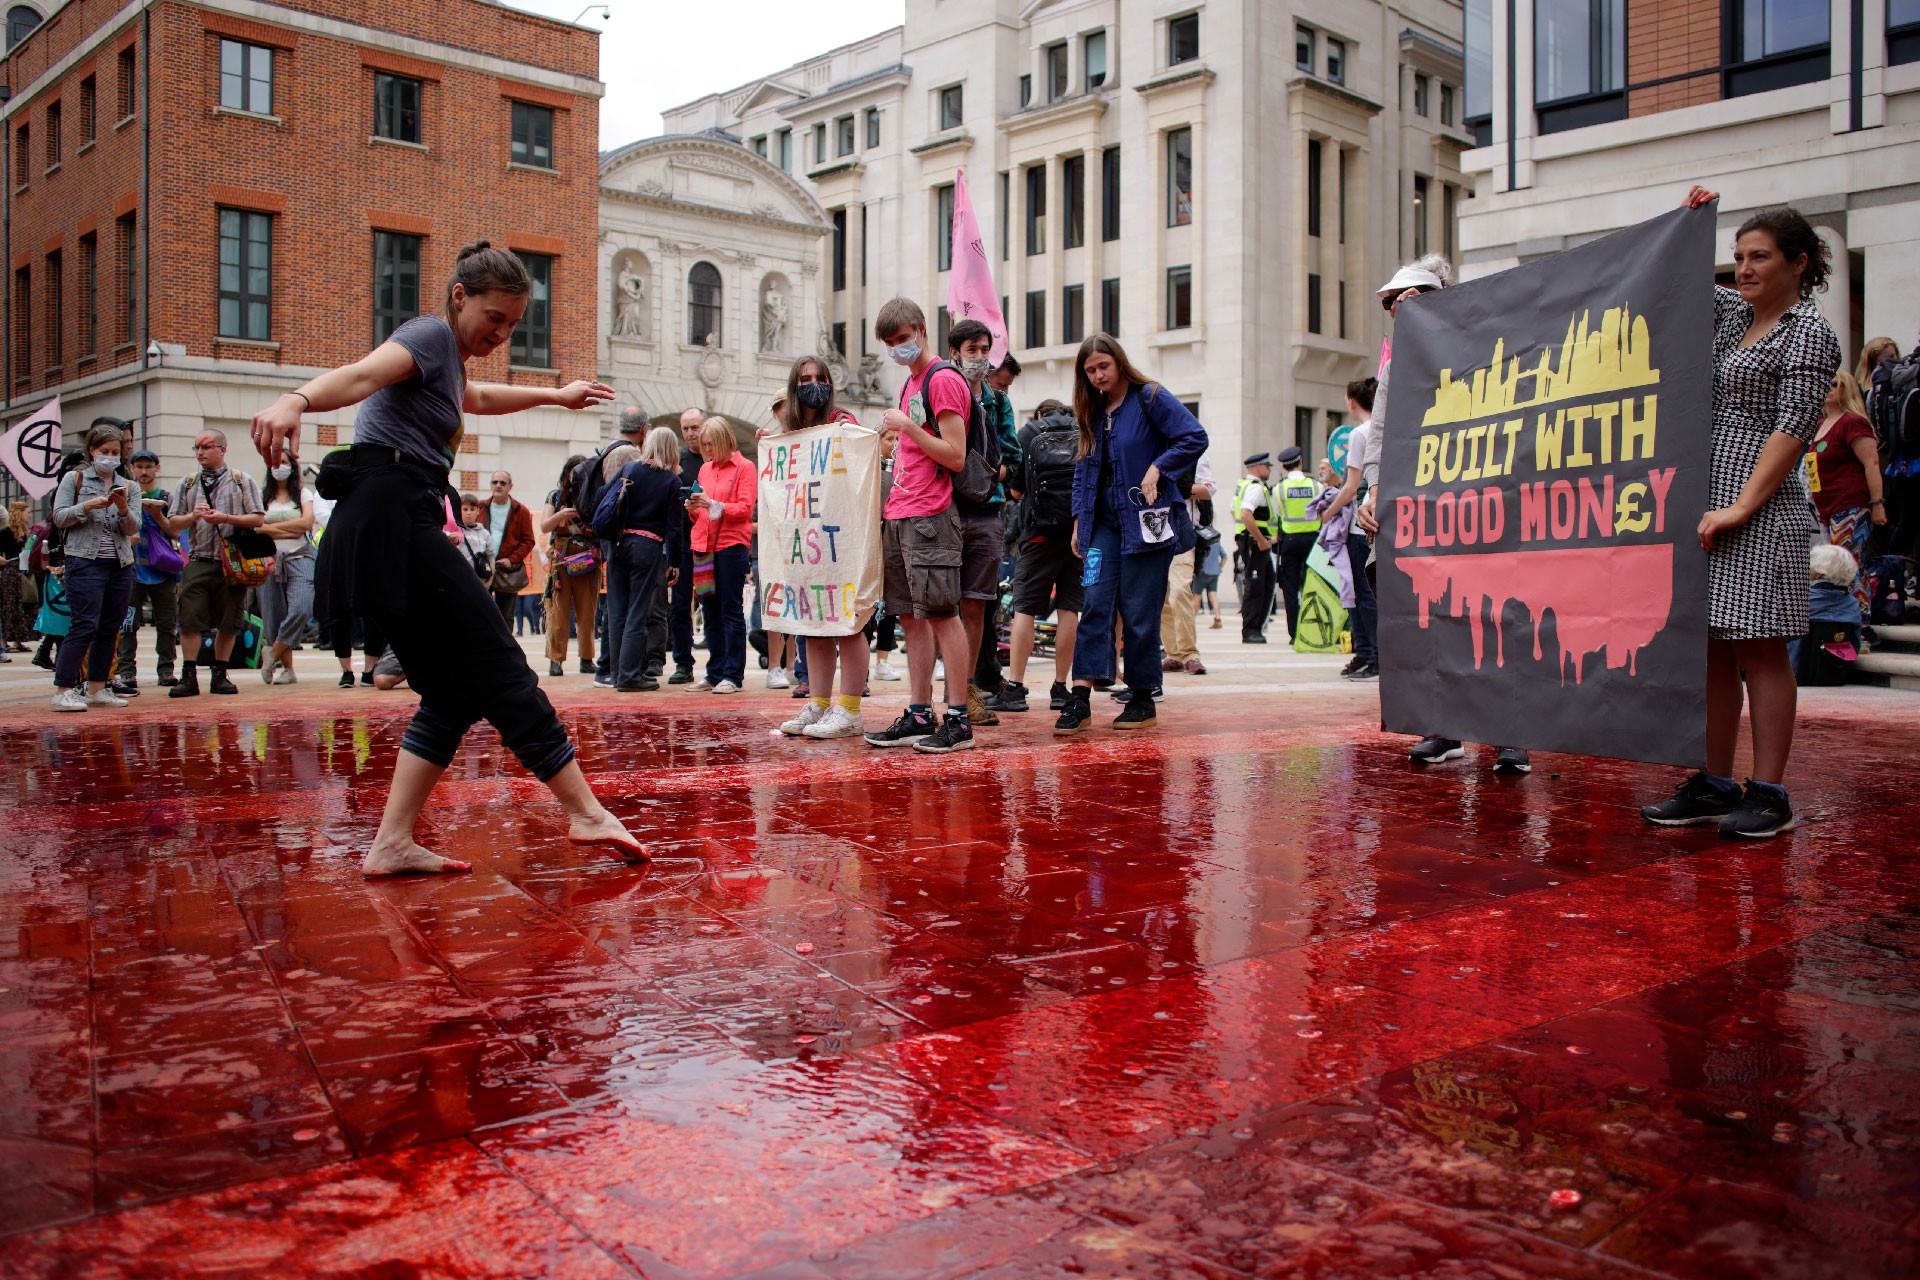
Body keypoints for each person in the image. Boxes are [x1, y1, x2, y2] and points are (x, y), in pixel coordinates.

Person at [249, 239, 642, 875]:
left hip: (391, 518)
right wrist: (295, 399)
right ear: (459, 297)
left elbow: (478, 399)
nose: (503, 333)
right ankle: (585, 813)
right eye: (495, 318)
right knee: (499, 659)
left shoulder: (447, 364)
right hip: (390, 516)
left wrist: (556, 395)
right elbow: (360, 376)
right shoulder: (429, 333)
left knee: (452, 692)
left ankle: (392, 843)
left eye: (514, 324)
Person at [1640, 193, 1842, 839]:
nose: (1745, 268)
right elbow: (1679, 279)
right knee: (1710, 651)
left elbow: (1793, 425)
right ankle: (1715, 781)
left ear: (1799, 263)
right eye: (1739, 257)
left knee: (1760, 652)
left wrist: (1742, 505)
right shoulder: (1735, 320)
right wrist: (1690, 220)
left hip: (1760, 506)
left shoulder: (1808, 330)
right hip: (1709, 503)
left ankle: (1771, 792)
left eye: (1760, 257)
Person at [1369, 258, 1529, 771]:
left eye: (1410, 297)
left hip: (1484, 511)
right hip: (1422, 517)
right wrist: (1374, 492)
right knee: (1434, 620)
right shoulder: (1394, 370)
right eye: (1392, 303)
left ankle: (1510, 732)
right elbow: (1380, 436)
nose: (1398, 309)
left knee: (1495, 617)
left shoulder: (1483, 350)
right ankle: (1443, 726)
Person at [1055, 333, 1208, 734]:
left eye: (1103, 366)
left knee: (1140, 611)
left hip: (1147, 522)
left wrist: (1160, 468)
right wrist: (1078, 521)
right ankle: (1080, 697)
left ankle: (1142, 697)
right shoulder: (1091, 409)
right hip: (1101, 525)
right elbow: (1082, 472)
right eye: (1090, 371)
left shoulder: (1151, 396)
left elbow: (1194, 437)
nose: (1097, 375)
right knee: (1095, 605)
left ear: (1120, 362)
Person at [863, 298, 978, 752]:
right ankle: (918, 711)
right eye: (889, 344)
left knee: (943, 614)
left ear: (922, 330)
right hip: (902, 512)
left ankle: (957, 718)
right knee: (910, 617)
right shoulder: (912, 383)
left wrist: (908, 428)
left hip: (931, 514)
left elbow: (954, 453)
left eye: (902, 340)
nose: (896, 349)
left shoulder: (942, 380)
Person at [767, 356, 875, 739]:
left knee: (847, 622)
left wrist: (850, 434)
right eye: (805, 378)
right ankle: (819, 703)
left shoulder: (840, 422)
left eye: (820, 378)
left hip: (840, 541)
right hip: (806, 542)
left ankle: (849, 709)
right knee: (811, 627)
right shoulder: (793, 432)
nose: (813, 384)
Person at [943, 319, 1023, 726]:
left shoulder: (997, 401)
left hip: (987, 511)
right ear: (954, 351)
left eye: (983, 349)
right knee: (942, 604)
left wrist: (991, 474)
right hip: (942, 509)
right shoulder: (937, 390)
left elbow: (1014, 457)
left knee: (976, 603)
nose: (978, 357)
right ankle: (949, 687)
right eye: (970, 349)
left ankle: (968, 685)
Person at [160, 428, 266, 697]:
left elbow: (257, 518)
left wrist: (226, 518)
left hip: (232, 563)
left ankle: (220, 673)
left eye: (206, 447)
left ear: (222, 449)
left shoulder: (242, 481)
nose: (200, 453)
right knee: (190, 619)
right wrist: (192, 517)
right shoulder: (187, 483)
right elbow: (173, 524)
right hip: (199, 559)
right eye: (196, 448)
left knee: (230, 621)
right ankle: (189, 675)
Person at [995, 399, 1082, 713]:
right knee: (1069, 609)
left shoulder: (1028, 433)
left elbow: (1016, 492)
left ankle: (1015, 687)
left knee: (1026, 609)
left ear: (1040, 414)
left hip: (1038, 532)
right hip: (1076, 534)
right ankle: (1061, 687)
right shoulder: (1082, 430)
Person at [48, 422, 141, 711]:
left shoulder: (130, 486)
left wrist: (123, 509)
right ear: (92, 451)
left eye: (115, 452)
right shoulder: (74, 480)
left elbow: (134, 527)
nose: (110, 457)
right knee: (84, 623)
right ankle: (64, 688)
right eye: (104, 451)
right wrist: (87, 507)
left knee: (110, 626)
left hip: (120, 563)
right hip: (84, 561)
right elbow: (59, 517)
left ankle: (98, 686)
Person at [599, 428, 685, 692]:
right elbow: (674, 527)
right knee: (638, 612)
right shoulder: (671, 481)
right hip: (647, 548)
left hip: (619, 545)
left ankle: (616, 673)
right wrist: (675, 561)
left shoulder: (630, 470)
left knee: (617, 613)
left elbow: (605, 495)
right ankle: (630, 676)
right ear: (671, 448)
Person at [684, 416, 755, 694]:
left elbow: (745, 509)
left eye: (712, 444)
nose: (708, 450)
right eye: (705, 445)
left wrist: (712, 503)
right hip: (703, 544)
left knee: (730, 609)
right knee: (709, 610)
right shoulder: (704, 470)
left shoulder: (744, 467)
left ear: (725, 441)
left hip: (730, 545)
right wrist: (693, 508)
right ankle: (715, 672)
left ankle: (732, 674)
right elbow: (705, 514)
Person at [1806, 370, 1883, 621]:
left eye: (1834, 384)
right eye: (1823, 383)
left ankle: (1860, 620)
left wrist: (1877, 503)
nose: (1827, 388)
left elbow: (1871, 464)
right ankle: (1848, 617)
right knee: (1838, 564)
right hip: (1826, 508)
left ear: (1846, 388)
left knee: (1847, 563)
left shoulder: (1852, 422)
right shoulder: (1821, 424)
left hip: (1850, 505)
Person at [1319, 377, 1381, 680]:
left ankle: (1371, 654)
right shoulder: (1385, 430)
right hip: (1382, 521)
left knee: (1360, 592)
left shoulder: (1360, 434)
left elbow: (1351, 486)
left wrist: (1328, 513)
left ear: (1351, 402)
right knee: (1369, 592)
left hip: (1360, 526)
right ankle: (1368, 652)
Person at [112, 450, 182, 691]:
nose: (143, 472)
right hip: (131, 571)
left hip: (162, 572)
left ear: (157, 468)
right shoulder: (124, 496)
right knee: (128, 624)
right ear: (132, 469)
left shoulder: (166, 498)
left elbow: (175, 532)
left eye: (148, 467)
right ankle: (127, 671)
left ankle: (166, 670)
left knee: (166, 624)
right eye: (139, 467)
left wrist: (157, 514)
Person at [256, 448, 316, 685]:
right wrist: (290, 526)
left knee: (301, 607)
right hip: (269, 560)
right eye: (274, 462)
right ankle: (288, 669)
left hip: (299, 557)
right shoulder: (263, 496)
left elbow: (307, 523)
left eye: (283, 462)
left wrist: (272, 528)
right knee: (274, 617)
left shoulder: (302, 493)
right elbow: (257, 527)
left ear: (292, 466)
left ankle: (272, 655)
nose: (278, 466)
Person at [541, 451, 600, 677]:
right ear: (566, 474)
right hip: (562, 558)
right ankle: (556, 660)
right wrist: (560, 516)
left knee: (588, 611)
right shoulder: (556, 497)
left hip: (588, 556)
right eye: (573, 472)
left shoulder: (594, 496)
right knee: (558, 610)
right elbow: (545, 526)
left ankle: (587, 658)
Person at [1158, 455, 1216, 678]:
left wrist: (1178, 490)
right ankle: (1174, 654)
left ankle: (1190, 654)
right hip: (1154, 530)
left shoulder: (1194, 455)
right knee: (1162, 596)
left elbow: (1209, 489)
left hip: (1183, 531)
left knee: (1180, 590)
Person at [665, 407, 705, 683]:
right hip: (681, 543)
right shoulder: (677, 462)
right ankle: (683, 663)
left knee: (714, 605)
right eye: (686, 429)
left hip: (711, 542)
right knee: (679, 605)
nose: (691, 434)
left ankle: (721, 665)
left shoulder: (715, 460)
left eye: (695, 427)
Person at [1272, 445, 1321, 642]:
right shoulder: (1315, 485)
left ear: (1284, 467)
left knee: (1290, 589)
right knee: (1313, 585)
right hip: (1312, 541)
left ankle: (1295, 633)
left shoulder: (1279, 488)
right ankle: (1315, 631)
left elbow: (1278, 514)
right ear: (1301, 462)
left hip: (1290, 542)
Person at [869, 418, 904, 683]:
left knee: (890, 601)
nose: (893, 444)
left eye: (896, 439)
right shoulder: (869, 467)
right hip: (871, 536)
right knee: (869, 601)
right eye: (889, 439)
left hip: (893, 534)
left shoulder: (902, 467)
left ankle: (883, 659)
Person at [1233, 454, 1277, 643]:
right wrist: (1259, 539)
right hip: (1255, 544)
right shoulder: (1255, 489)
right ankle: (1251, 630)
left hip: (1250, 541)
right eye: (1267, 466)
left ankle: (1255, 628)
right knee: (1256, 586)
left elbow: (1233, 510)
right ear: (1259, 467)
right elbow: (1245, 513)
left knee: (1265, 584)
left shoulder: (1242, 486)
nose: (1269, 469)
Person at [483, 470, 535, 623]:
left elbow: (528, 541)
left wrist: (511, 559)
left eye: (502, 483)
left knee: (505, 616)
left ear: (510, 486)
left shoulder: (521, 511)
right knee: (480, 610)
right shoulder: (480, 507)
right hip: (483, 568)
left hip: (507, 570)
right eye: (494, 482)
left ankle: (505, 646)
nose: (498, 486)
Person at [0, 499, 31, 657]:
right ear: (19, 513)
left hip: (21, 570)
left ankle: (18, 640)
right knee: (10, 605)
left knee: (21, 605)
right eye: (27, 512)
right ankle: (5, 641)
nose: (30, 516)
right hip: (10, 570)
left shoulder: (25, 532)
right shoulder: (5, 532)